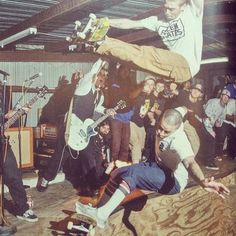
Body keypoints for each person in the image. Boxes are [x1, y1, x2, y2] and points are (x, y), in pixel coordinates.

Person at [75, 107, 230, 229]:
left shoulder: (180, 141)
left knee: (132, 176)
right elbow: (182, 108)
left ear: (176, 129)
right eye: (160, 127)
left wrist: (203, 182)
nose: (160, 132)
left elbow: (190, 163)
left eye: (166, 131)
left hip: (173, 180)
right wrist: (186, 108)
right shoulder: (173, 114)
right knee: (117, 173)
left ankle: (100, 215)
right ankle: (99, 212)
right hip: (157, 166)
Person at [36, 58, 115, 192]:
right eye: (101, 76)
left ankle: (94, 185)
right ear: (95, 76)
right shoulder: (85, 86)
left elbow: (97, 108)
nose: (103, 80)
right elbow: (93, 70)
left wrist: (106, 110)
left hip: (84, 131)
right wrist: (104, 55)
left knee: (89, 157)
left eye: (105, 78)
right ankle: (46, 178)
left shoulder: (99, 95)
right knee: (59, 157)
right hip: (70, 128)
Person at [93, 0, 204, 83]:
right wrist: (106, 22)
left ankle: (103, 43)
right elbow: (131, 23)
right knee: (134, 62)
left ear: (183, 7)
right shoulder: (158, 20)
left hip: (186, 65)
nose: (167, 12)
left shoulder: (192, 13)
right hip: (172, 67)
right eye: (165, 8)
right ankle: (96, 45)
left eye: (172, 9)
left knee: (148, 53)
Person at [0, 86, 38, 223]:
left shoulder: (1, 93)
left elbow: (5, 114)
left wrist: (19, 111)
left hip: (2, 142)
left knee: (13, 174)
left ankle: (23, 209)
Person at [202, 89, 230, 170]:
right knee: (211, 138)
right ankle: (208, 163)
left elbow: (221, 118)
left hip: (210, 124)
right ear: (221, 96)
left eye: (227, 97)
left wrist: (219, 122)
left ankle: (214, 155)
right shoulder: (213, 102)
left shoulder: (224, 107)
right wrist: (211, 131)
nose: (226, 98)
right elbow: (205, 117)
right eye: (224, 96)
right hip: (201, 122)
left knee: (219, 135)